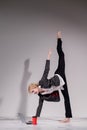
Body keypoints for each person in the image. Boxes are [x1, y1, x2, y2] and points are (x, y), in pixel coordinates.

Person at [28, 32, 72, 123]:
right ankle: (68, 118)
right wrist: (35, 118)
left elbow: (46, 70)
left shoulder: (42, 82)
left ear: (35, 87)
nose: (34, 93)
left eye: (33, 91)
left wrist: (49, 56)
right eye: (33, 93)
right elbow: (39, 106)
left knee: (61, 55)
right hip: (61, 85)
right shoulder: (41, 95)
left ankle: (59, 39)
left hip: (59, 75)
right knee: (67, 98)